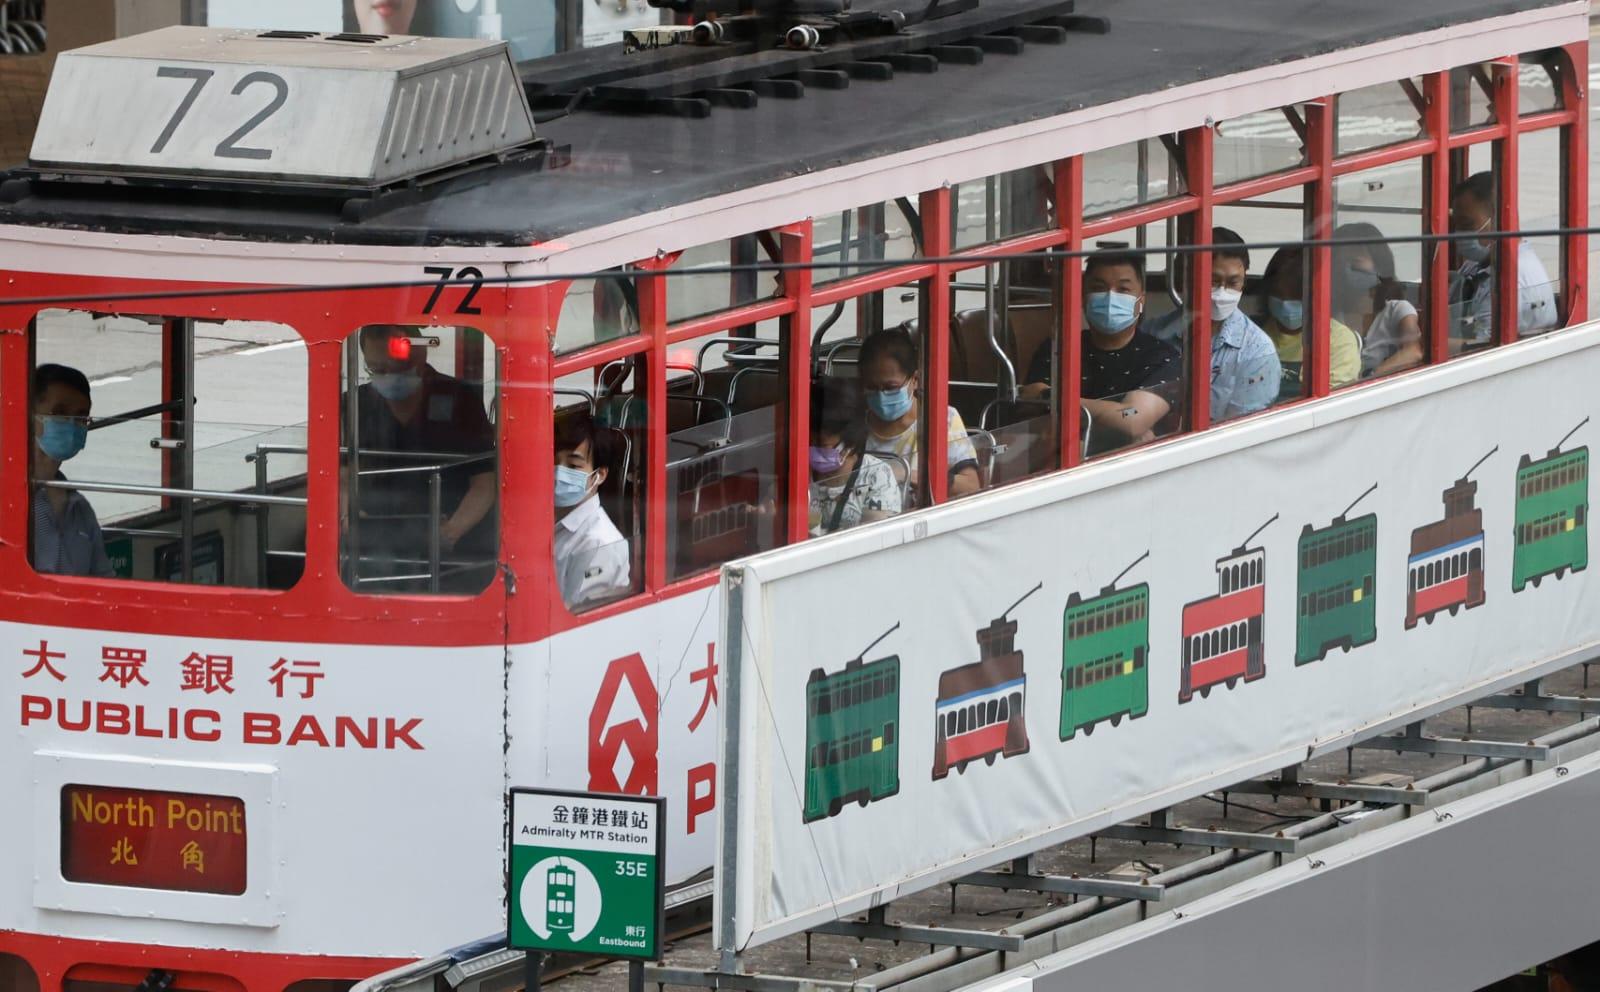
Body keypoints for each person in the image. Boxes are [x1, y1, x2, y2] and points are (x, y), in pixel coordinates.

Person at [346, 325, 496, 591]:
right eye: (377, 370)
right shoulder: (355, 405)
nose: (389, 377)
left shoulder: (460, 399)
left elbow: (484, 483)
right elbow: (338, 478)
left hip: (450, 543)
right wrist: (348, 518)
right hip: (376, 540)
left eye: (398, 367)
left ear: (422, 354)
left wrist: (451, 532)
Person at [1021, 250, 1183, 452]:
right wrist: (1115, 424)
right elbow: (1037, 421)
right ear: (1084, 297)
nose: (1110, 297)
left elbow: (1132, 419)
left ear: (1140, 301)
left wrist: (1051, 397)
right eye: (1099, 288)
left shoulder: (1163, 358)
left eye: (1123, 289)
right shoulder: (1057, 350)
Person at [1144, 228, 1281, 421]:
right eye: (1213, 281)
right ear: (1187, 279)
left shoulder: (1257, 351)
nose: (1222, 292)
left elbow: (1243, 428)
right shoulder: (1154, 333)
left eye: (1233, 283)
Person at [859, 326, 981, 501]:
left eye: (890, 387)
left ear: (914, 380)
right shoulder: (855, 425)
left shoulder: (942, 420)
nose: (880, 395)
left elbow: (971, 486)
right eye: (872, 387)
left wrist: (906, 474)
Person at [1449, 171, 1559, 345]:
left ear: (1499, 221)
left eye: (1467, 224)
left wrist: (1423, 347)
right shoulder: (1480, 264)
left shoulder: (1509, 279)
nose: (1458, 233)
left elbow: (1479, 349)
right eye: (1456, 225)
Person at [30, 364, 114, 578]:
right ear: (29, 415)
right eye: (59, 413)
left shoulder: (80, 509)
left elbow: (103, 583)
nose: (71, 425)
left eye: (80, 417)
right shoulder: (11, 501)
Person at [1258, 245, 1363, 399]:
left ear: (1315, 298)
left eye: (1295, 298)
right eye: (1279, 295)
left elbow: (1331, 404)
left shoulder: (1338, 340)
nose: (1286, 303)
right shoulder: (1255, 333)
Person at [552, 408, 632, 610]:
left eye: (573, 466)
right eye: (553, 462)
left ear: (600, 475)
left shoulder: (598, 543)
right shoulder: (545, 518)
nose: (558, 472)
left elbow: (578, 616)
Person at [809, 379, 901, 536]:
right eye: (809, 443)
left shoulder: (876, 477)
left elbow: (875, 540)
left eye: (822, 446)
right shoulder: (796, 474)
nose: (812, 451)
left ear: (849, 444)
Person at [1331, 223, 1424, 378]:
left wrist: (1371, 377)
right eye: (1342, 263)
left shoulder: (1397, 310)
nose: (1348, 270)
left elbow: (1413, 351)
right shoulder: (1332, 313)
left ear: (1380, 265)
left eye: (1356, 262)